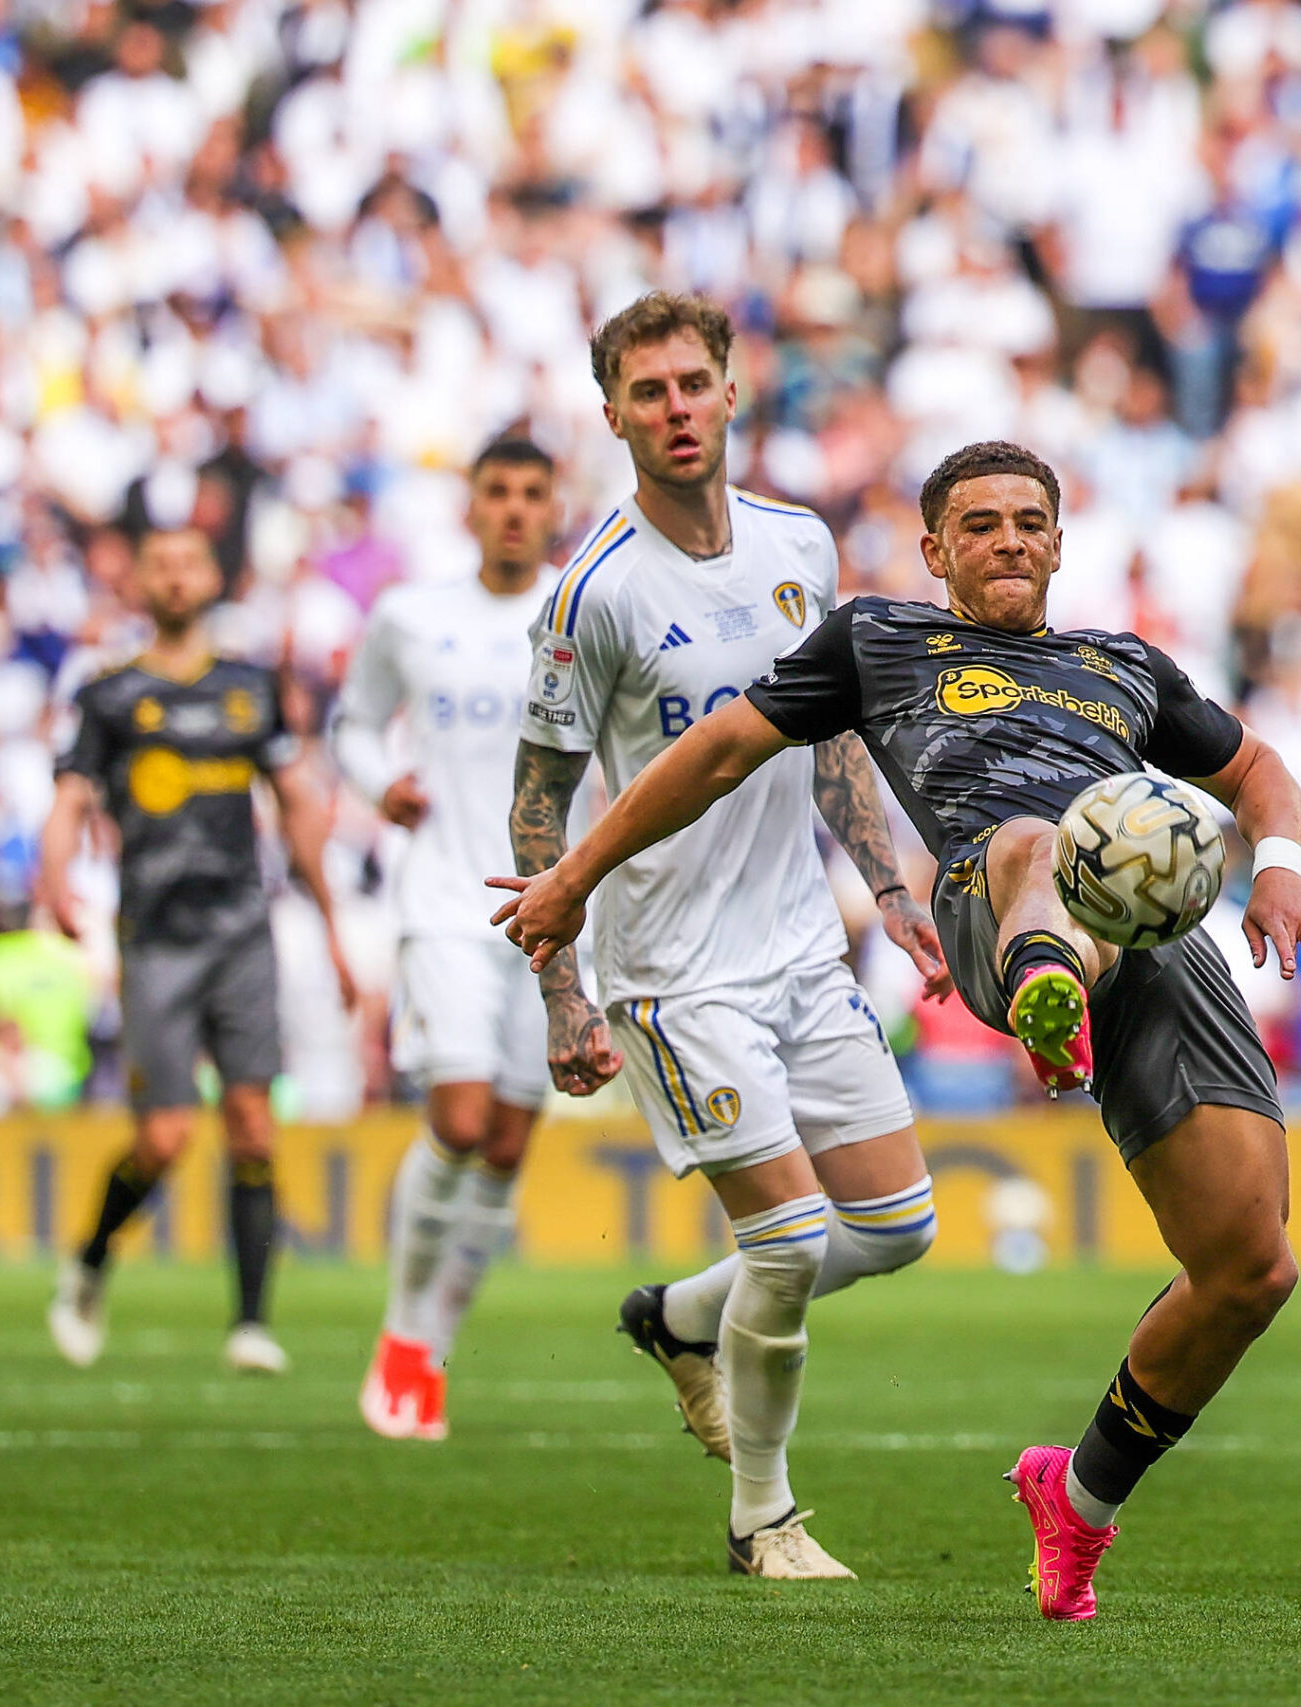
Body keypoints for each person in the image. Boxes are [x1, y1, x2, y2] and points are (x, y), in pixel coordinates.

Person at [493, 438, 1301, 1623]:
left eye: (1029, 522)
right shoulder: (882, 641)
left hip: (1163, 936)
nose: (1008, 541)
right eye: (979, 524)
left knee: (1250, 1271)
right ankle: (1051, 986)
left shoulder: (1124, 665)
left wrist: (1282, 865)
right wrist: (574, 873)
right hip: (996, 892)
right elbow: (722, 751)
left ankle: (1077, 1500)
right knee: (1048, 836)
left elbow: (1259, 770)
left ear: (1057, 541)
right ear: (936, 549)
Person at [500, 292, 949, 1580]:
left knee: (901, 1226)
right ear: (614, 417)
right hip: (672, 972)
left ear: (733, 390)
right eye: (647, 395)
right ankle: (766, 1518)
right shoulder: (594, 594)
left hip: (803, 952)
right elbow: (539, 801)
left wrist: (893, 891)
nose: (675, 410)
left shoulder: (797, 541)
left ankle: (679, 1322)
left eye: (692, 384)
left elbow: (832, 734)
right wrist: (562, 995)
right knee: (793, 1243)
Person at [37, 525, 358, 1375]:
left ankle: (250, 1322)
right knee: (167, 1137)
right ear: (139, 581)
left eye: (189, 561)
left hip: (240, 931)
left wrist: (330, 925)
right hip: (157, 938)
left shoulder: (249, 688)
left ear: (212, 576)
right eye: (161, 563)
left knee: (254, 1125)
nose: (177, 577)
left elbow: (294, 803)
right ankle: (90, 1260)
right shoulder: (109, 693)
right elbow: (71, 797)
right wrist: (55, 878)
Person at [331, 435, 562, 1440]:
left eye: (530, 495)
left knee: (507, 1145)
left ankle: (432, 1347)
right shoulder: (410, 616)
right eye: (496, 493)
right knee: (460, 1120)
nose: (513, 510)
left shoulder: (581, 616)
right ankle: (398, 1332)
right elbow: (349, 722)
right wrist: (379, 784)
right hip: (443, 904)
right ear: (469, 508)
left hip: (553, 910)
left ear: (553, 509)